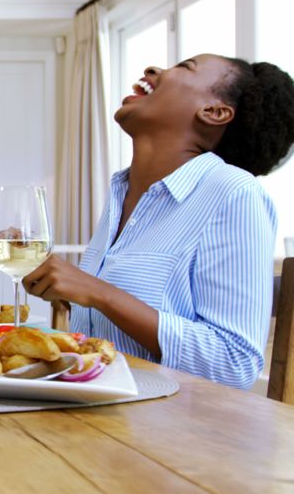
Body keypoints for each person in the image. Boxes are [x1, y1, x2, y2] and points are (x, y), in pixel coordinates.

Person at [24, 54, 294, 389]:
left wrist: (97, 292)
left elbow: (233, 364)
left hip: (171, 432)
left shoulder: (235, 194)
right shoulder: (122, 192)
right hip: (96, 415)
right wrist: (60, 286)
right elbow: (113, 328)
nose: (153, 70)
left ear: (214, 112)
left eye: (185, 67)